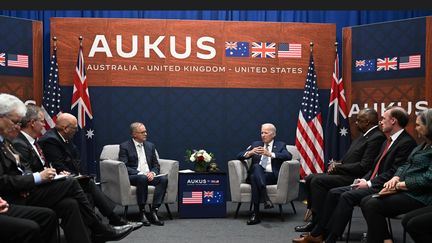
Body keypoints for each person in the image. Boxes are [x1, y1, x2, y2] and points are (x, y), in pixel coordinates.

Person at [0, 93, 133, 243]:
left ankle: (96, 232)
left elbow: (23, 170)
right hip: (20, 194)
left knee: (71, 203)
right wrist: (39, 177)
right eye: (15, 121)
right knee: (72, 184)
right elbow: (12, 176)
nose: (45, 125)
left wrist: (52, 174)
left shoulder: (10, 143)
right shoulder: (18, 142)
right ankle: (100, 228)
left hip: (28, 188)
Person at [292, 106, 417, 243]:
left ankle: (329, 238)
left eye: (383, 118)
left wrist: (368, 183)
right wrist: (362, 180)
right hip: (370, 181)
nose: (380, 121)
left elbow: (394, 172)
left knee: (345, 196)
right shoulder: (389, 140)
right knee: (333, 193)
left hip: (384, 186)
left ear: (393, 121)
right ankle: (319, 233)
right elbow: (375, 167)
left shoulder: (406, 142)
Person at [36, 111, 142, 230]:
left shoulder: (64, 137)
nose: (76, 131)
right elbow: (58, 166)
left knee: (88, 190)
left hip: (68, 179)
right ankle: (112, 220)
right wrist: (77, 176)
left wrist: (80, 175)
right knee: (88, 185)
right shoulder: (50, 140)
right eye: (75, 128)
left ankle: (96, 228)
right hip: (57, 183)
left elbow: (75, 159)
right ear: (65, 128)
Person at [294, 108, 386, 232]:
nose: (356, 123)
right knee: (311, 177)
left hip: (357, 178)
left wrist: (339, 167)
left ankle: (321, 223)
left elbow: (364, 166)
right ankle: (315, 220)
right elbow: (351, 157)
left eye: (359, 120)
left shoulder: (377, 137)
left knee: (318, 181)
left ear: (368, 122)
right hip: (346, 173)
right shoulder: (364, 135)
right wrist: (338, 163)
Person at [360, 108, 432, 243]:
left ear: (429, 126)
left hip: (421, 196)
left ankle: (385, 240)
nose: (415, 129)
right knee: (366, 201)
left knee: (372, 204)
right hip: (407, 190)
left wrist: (399, 186)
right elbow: (405, 165)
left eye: (418, 125)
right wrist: (395, 178)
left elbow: (428, 179)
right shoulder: (422, 146)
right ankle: (385, 239)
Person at [237, 123, 292, 225]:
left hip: (270, 176)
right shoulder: (255, 144)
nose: (263, 135)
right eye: (262, 132)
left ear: (273, 134)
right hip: (257, 173)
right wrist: (250, 153)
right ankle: (265, 198)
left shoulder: (280, 145)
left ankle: (256, 214)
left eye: (266, 133)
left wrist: (270, 154)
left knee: (254, 177)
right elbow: (239, 155)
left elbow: (288, 156)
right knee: (256, 167)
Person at [118, 122, 168, 226]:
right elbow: (124, 166)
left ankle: (154, 211)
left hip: (149, 175)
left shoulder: (150, 146)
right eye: (142, 132)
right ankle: (142, 212)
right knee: (142, 178)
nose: (145, 134)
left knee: (163, 179)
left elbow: (156, 164)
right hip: (134, 176)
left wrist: (153, 173)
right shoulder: (124, 146)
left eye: (146, 131)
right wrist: (141, 173)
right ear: (134, 134)